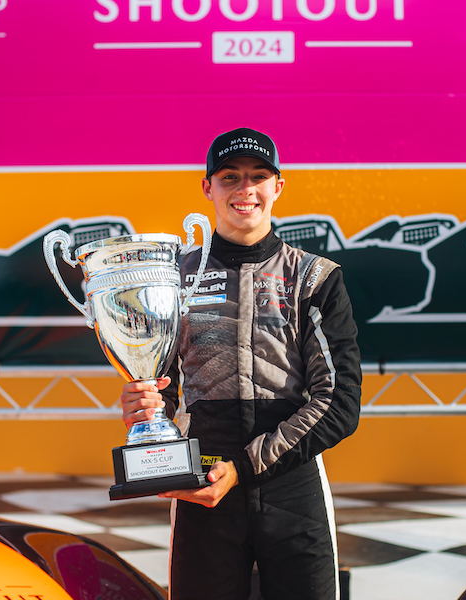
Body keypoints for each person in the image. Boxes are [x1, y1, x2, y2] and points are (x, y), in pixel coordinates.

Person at [119, 127, 362, 600]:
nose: (244, 189)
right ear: (207, 187)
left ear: (278, 186)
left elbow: (339, 403)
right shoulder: (174, 280)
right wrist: (145, 413)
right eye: (230, 176)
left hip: (292, 484)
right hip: (205, 480)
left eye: (258, 176)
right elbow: (162, 385)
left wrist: (242, 467)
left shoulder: (314, 278)